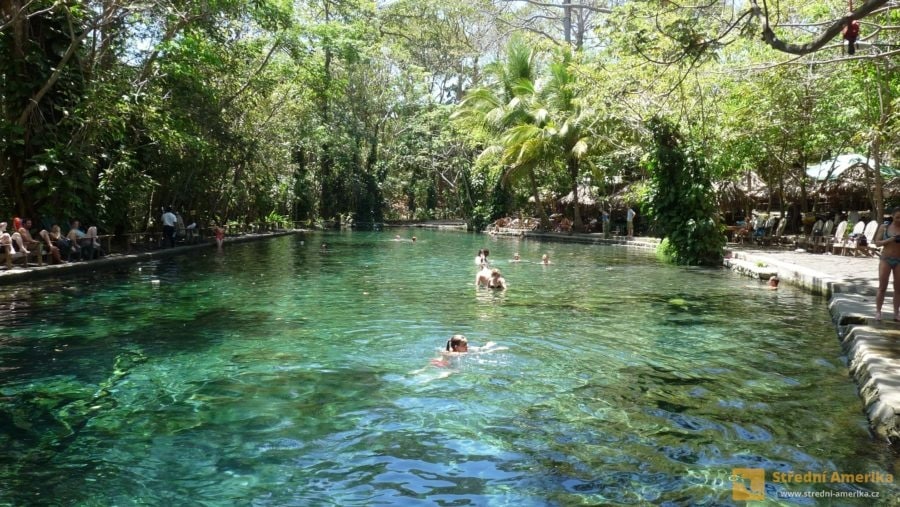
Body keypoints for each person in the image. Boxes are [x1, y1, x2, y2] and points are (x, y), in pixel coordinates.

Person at [874, 207, 900, 321]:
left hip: (899, 260)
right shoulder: (884, 227)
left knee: (898, 288)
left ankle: (896, 313)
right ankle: (878, 311)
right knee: (882, 287)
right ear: (893, 216)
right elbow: (877, 243)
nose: (899, 219)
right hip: (886, 259)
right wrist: (890, 240)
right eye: (897, 217)